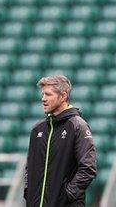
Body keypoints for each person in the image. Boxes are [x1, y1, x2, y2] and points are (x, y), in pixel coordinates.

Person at [24, 75, 97, 207]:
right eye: (42, 94)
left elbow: (88, 168)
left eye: (48, 94)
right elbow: (29, 167)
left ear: (63, 96)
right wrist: (28, 192)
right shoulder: (37, 129)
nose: (43, 99)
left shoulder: (78, 126)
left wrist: (67, 195)